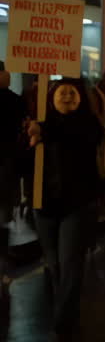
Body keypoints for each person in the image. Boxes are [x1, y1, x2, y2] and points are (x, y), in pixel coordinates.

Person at [25, 80, 105, 338]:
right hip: (45, 204)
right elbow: (23, 162)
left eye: (73, 92)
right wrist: (27, 139)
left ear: (82, 97)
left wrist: (44, 131)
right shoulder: (39, 125)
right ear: (52, 98)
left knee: (70, 262)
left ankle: (64, 323)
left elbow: (75, 134)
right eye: (62, 92)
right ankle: (66, 310)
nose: (68, 97)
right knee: (54, 264)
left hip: (77, 204)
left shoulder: (88, 123)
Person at [0, 62, 27, 296]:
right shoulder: (15, 101)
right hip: (7, 160)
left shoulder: (15, 100)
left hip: (8, 161)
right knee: (4, 208)